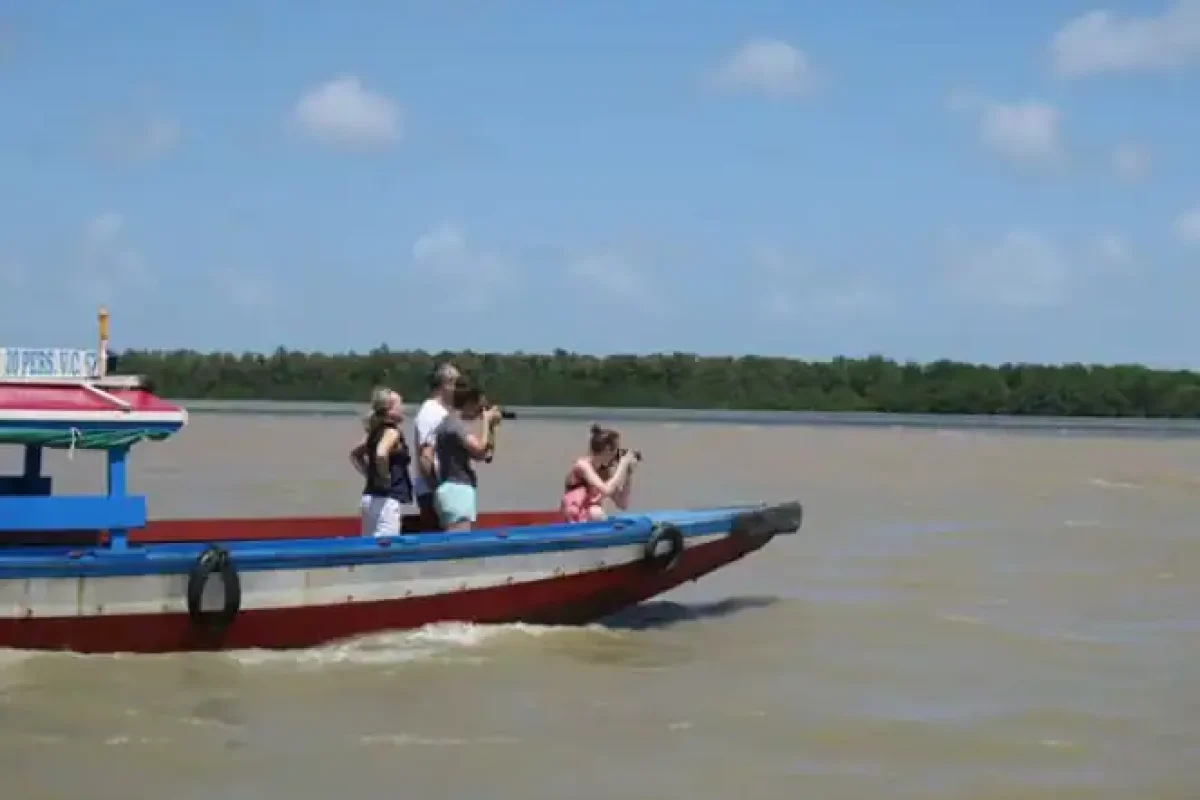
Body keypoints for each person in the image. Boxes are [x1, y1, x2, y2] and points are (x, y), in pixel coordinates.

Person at [426, 381, 503, 531]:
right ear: (469, 403)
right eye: (479, 408)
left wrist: (492, 428)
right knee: (458, 541)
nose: (479, 414)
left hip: (456, 491)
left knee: (460, 540)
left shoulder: (450, 424)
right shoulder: (455, 425)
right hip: (457, 492)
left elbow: (483, 456)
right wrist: (486, 421)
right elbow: (479, 449)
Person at [349, 386, 413, 536]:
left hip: (370, 498)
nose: (403, 409)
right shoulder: (391, 432)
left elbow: (355, 455)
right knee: (387, 547)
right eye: (400, 405)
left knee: (369, 546)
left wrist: (370, 474)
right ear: (389, 410)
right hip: (386, 502)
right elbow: (381, 453)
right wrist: (384, 477)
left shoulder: (375, 432)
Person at [412, 361, 461, 530]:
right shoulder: (430, 412)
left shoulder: (441, 412)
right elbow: (425, 456)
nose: (458, 390)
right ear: (446, 384)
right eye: (456, 384)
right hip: (433, 492)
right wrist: (438, 490)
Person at [560, 424, 639, 522]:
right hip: (575, 519)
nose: (618, 454)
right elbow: (606, 490)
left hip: (591, 520)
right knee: (596, 512)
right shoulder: (583, 465)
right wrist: (622, 466)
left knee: (597, 513)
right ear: (607, 449)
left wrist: (628, 474)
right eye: (617, 449)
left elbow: (622, 504)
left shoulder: (604, 471)